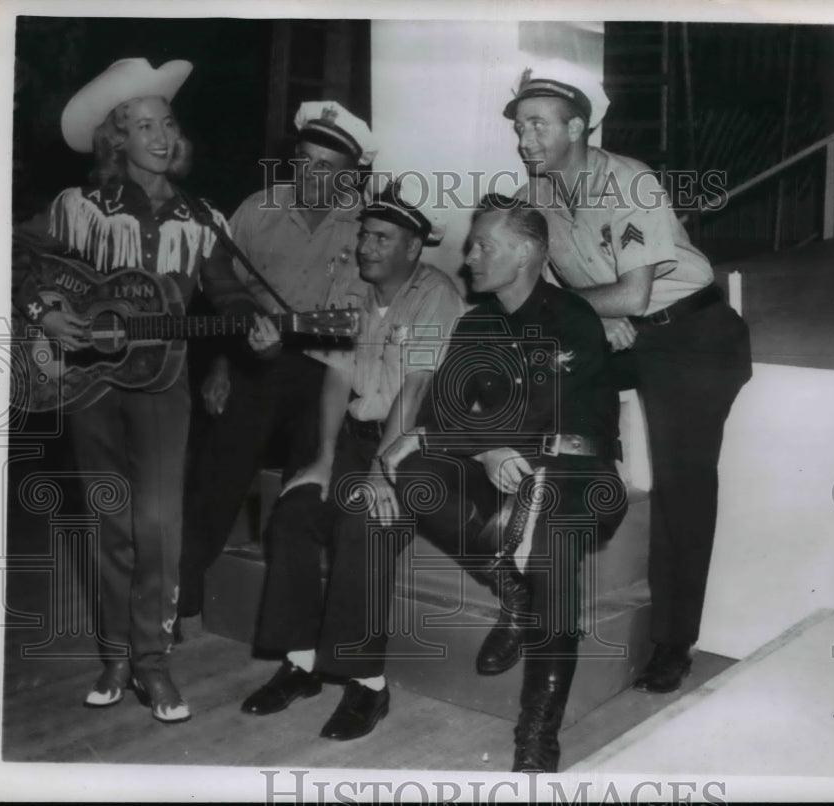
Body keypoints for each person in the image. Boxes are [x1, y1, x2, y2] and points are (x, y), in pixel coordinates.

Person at [326, 196, 627, 772]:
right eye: (471, 245)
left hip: (576, 476)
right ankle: (514, 591)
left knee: (553, 547)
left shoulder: (572, 318)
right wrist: (475, 446)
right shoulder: (477, 322)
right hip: (505, 473)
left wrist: (461, 440)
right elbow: (442, 412)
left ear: (528, 254)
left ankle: (537, 733)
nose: (469, 257)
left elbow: (540, 414)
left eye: (484, 245)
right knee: (411, 469)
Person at [12, 58, 259, 722]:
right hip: (90, 384)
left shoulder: (202, 218)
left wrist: (251, 326)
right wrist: (48, 314)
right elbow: (15, 255)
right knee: (108, 523)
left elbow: (229, 294)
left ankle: (153, 663)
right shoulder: (79, 209)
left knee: (157, 525)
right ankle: (115, 656)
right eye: (142, 124)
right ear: (116, 139)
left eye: (167, 122)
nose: (158, 134)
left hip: (163, 384)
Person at [505, 60, 753, 694]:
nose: (524, 138)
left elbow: (636, 292)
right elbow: (544, 286)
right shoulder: (535, 195)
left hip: (695, 337)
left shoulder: (630, 183)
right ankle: (565, 525)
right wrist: (595, 318)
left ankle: (673, 643)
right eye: (520, 126)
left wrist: (596, 310)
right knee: (528, 377)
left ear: (580, 126)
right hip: (629, 330)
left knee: (682, 485)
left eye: (538, 125)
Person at [240, 180, 465, 739]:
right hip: (354, 434)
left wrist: (379, 471)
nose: (366, 246)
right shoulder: (349, 282)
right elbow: (338, 374)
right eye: (364, 234)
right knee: (295, 511)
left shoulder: (433, 294)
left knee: (365, 522)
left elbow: (414, 391)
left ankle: (368, 684)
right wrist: (321, 459)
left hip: (415, 445)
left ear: (412, 248)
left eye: (381, 238)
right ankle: (302, 663)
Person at [177, 101, 376, 625]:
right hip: (252, 357)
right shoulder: (257, 208)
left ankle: (296, 630)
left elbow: (372, 316)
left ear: (353, 174)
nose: (310, 174)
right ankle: (181, 596)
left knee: (303, 492)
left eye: (326, 167)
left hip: (328, 368)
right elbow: (222, 285)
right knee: (214, 476)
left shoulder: (369, 225)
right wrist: (222, 362)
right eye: (304, 160)